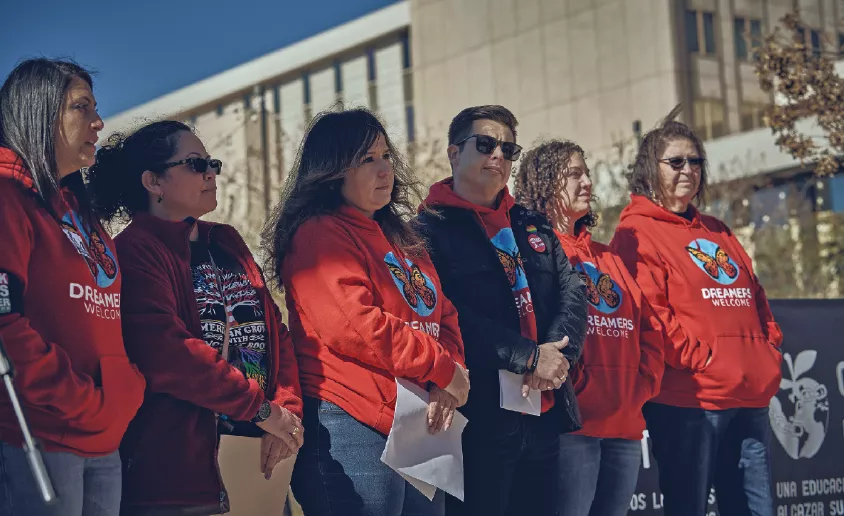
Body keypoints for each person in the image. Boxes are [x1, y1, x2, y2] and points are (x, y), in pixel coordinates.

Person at [85, 120, 303, 515]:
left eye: (212, 162)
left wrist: (286, 411)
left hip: (260, 462)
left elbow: (275, 332)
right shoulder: (134, 250)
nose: (210, 173)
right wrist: (264, 411)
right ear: (154, 182)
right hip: (178, 479)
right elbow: (171, 355)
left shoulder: (227, 240)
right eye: (194, 164)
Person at [263, 107, 469, 516]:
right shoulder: (318, 234)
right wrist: (443, 368)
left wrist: (449, 378)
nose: (384, 170)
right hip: (352, 423)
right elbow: (358, 326)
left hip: (417, 424)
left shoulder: (401, 235)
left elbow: (442, 312)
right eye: (367, 160)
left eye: (386, 156)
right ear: (333, 171)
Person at [415, 105, 587, 516]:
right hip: (479, 417)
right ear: (454, 154)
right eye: (486, 144)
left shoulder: (531, 222)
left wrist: (555, 359)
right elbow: (446, 313)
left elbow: (573, 291)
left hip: (543, 409)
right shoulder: (426, 229)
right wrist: (528, 356)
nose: (498, 155)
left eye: (508, 148)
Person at [610, 108, 782, 516]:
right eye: (676, 162)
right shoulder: (636, 232)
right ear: (650, 170)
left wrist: (767, 349)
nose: (688, 169)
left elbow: (756, 297)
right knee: (687, 507)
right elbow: (649, 313)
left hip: (751, 392)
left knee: (758, 509)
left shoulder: (718, 230)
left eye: (695, 161)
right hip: (690, 398)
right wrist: (702, 361)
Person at [0, 58, 146, 516]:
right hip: (37, 434)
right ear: (38, 110)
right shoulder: (6, 195)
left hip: (103, 436)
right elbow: (4, 324)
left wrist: (123, 393)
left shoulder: (79, 211)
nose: (99, 123)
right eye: (82, 107)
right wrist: (78, 397)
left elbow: (108, 319)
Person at [514, 139, 665, 516]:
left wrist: (640, 386)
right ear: (546, 183)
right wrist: (576, 388)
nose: (586, 182)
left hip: (625, 425)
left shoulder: (609, 258)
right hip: (572, 426)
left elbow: (649, 329)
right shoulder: (534, 253)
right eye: (574, 174)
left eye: (587, 173)